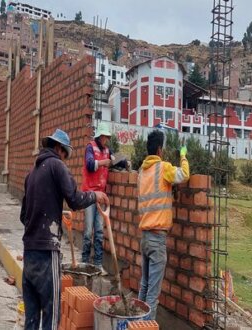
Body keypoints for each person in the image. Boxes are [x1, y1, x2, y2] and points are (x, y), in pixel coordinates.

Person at [20, 128, 109, 330]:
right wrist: (96, 195)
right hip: (46, 252)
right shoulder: (56, 166)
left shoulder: (31, 173)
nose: (65, 160)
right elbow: (75, 200)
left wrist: (52, 215)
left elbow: (24, 216)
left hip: (29, 251)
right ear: (59, 148)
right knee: (51, 316)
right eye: (65, 155)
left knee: (31, 318)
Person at [137, 130, 189, 320]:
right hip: (157, 238)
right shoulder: (163, 168)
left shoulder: (142, 172)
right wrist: (183, 156)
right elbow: (184, 174)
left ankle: (135, 324)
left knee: (144, 286)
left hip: (144, 237)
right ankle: (144, 326)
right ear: (160, 149)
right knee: (152, 295)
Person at [80, 122, 129, 269]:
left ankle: (98, 264)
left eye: (107, 137)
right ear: (99, 136)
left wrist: (126, 162)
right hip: (89, 194)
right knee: (89, 231)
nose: (106, 140)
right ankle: (84, 261)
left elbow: (118, 160)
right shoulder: (90, 147)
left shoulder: (108, 151)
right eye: (105, 137)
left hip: (101, 195)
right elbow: (89, 164)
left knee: (99, 231)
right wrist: (103, 162)